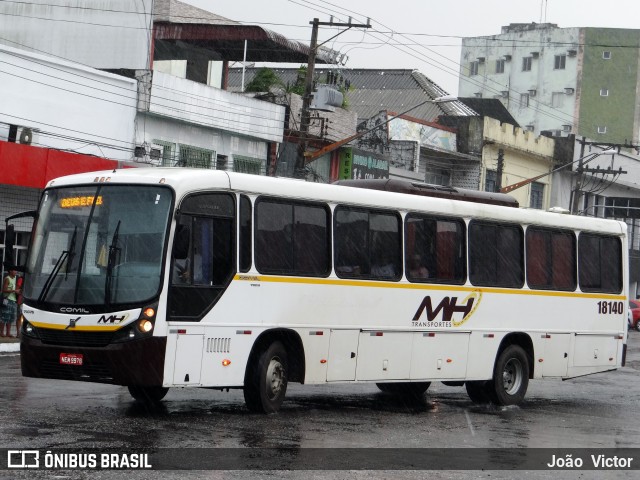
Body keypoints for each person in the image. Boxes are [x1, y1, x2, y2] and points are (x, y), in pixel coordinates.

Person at [1, 267, 21, 338]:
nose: (16, 272)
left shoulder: (15, 279)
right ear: (10, 271)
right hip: (7, 299)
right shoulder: (7, 278)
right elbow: (4, 290)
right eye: (14, 270)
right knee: (4, 316)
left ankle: (8, 333)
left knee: (10, 317)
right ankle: (1, 332)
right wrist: (14, 291)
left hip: (13, 300)